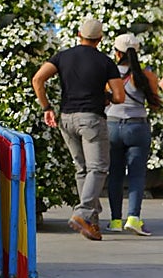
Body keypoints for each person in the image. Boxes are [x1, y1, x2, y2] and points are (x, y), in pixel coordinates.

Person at [33, 16, 126, 241]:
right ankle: (83, 213)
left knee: (82, 169)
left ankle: (91, 223)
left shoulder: (62, 56)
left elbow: (38, 79)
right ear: (100, 39)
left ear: (78, 35)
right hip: (91, 119)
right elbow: (119, 96)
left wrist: (47, 107)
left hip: (66, 118)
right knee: (98, 168)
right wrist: (105, 96)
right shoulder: (105, 62)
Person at [106, 32, 161, 235]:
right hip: (138, 127)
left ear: (117, 53)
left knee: (115, 175)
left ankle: (115, 221)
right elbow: (155, 105)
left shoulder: (109, 74)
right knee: (137, 175)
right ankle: (133, 218)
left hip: (112, 125)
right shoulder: (146, 75)